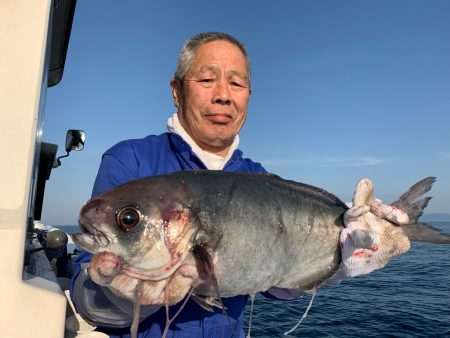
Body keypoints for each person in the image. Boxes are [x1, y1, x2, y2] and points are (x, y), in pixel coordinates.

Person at [71, 32, 286, 338]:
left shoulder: (259, 179)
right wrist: (120, 295)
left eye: (236, 83)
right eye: (207, 80)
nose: (223, 95)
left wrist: (334, 260)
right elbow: (85, 296)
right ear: (177, 90)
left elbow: (278, 288)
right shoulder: (130, 160)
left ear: (248, 95)